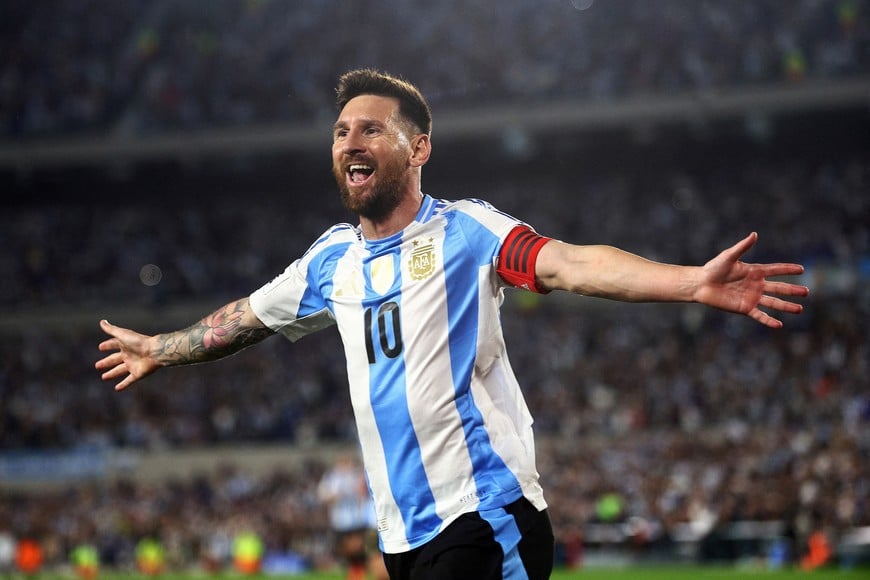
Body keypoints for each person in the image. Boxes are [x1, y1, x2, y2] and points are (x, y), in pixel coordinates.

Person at [96, 68, 809, 579]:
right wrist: (162, 348)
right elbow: (244, 319)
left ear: (420, 149)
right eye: (342, 131)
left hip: (483, 516)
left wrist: (689, 282)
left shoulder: (465, 231)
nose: (350, 141)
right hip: (401, 538)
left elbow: (567, 263)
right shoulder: (329, 261)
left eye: (371, 128)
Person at [318, 453, 388, 580]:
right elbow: (323, 496)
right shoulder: (332, 478)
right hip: (341, 522)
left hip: (358, 522)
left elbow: (362, 493)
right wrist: (337, 495)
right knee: (352, 555)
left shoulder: (356, 476)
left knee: (364, 554)